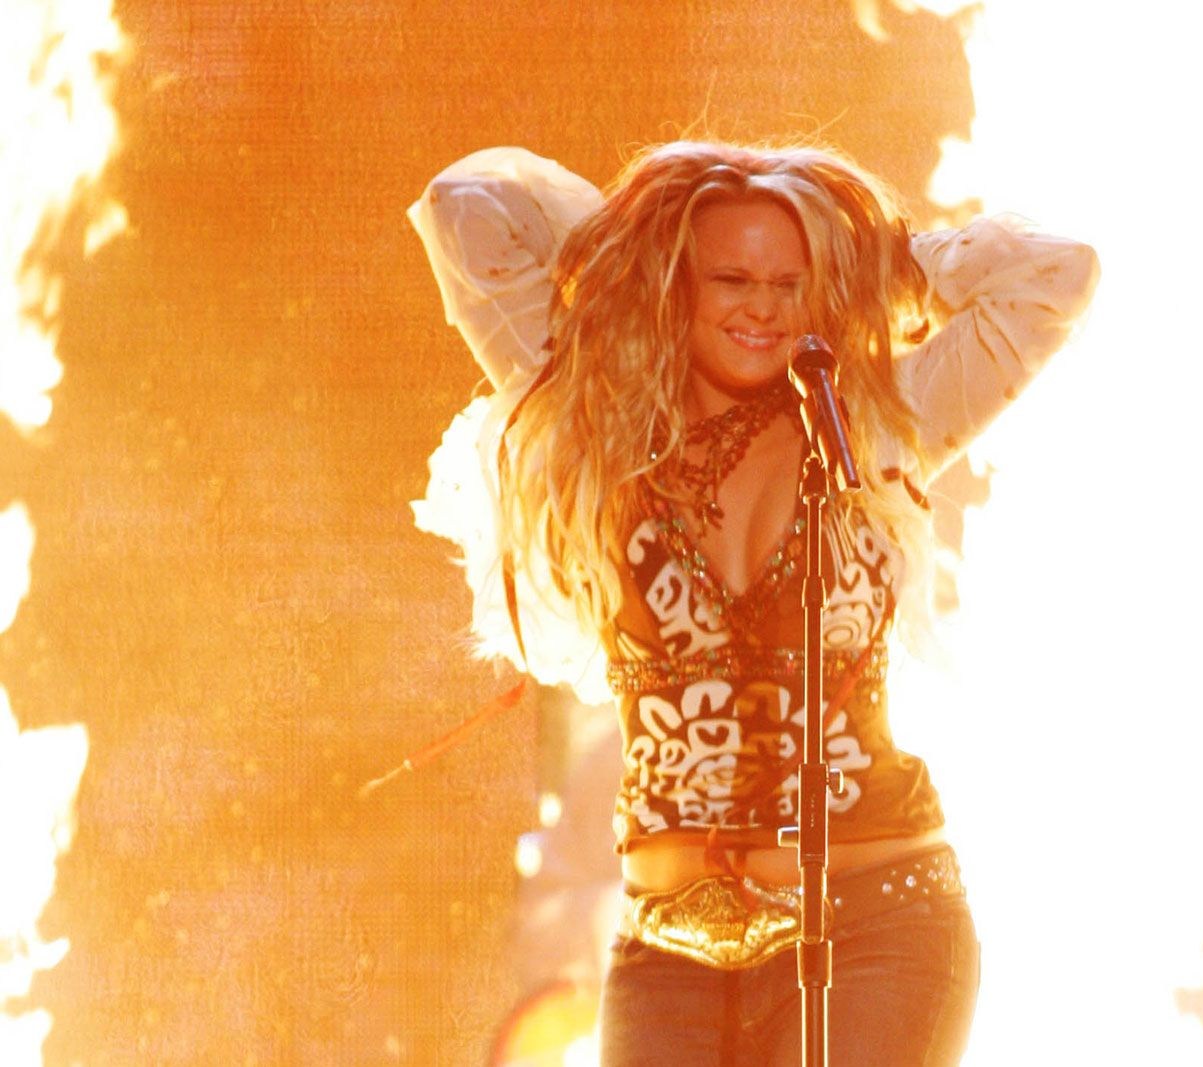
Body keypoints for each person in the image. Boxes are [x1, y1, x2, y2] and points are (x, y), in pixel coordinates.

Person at [409, 139, 1098, 1066]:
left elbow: (1057, 276)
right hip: (667, 959)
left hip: (876, 932)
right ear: (678, 286)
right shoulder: (597, 424)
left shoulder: (877, 421)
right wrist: (638, 246)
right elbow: (463, 206)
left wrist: (868, 260)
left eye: (789, 282)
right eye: (730, 278)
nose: (763, 307)